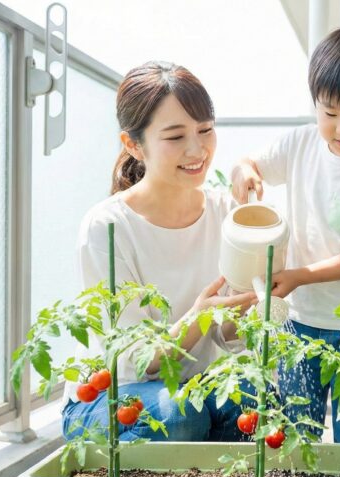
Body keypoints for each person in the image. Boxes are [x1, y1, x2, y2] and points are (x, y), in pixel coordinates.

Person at [230, 27, 340, 443]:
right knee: (297, 429)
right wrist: (246, 171)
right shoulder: (299, 143)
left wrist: (300, 275)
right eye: (329, 112)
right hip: (300, 320)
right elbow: (250, 161)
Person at [62, 61, 256, 443]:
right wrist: (198, 317)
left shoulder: (226, 214)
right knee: (181, 416)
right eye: (175, 136)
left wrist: (240, 315)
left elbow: (232, 342)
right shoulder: (107, 227)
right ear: (133, 145)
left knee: (253, 400)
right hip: (111, 396)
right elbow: (133, 361)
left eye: (205, 130)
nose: (197, 149)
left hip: (194, 391)